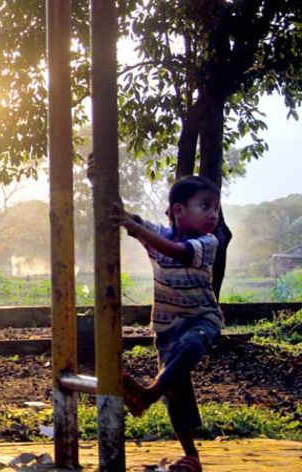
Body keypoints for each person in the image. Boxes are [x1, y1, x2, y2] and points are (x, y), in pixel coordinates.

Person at [114, 176, 223, 472]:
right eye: (205, 206)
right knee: (176, 394)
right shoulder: (158, 235)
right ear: (178, 210)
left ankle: (148, 394)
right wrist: (101, 180)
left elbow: (178, 253)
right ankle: (192, 458)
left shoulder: (207, 242)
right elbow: (124, 218)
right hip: (166, 330)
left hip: (202, 319)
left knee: (188, 347)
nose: (213, 214)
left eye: (216, 207)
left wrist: (138, 230)